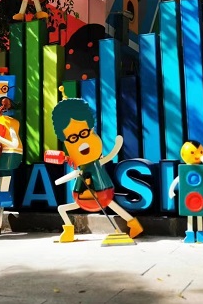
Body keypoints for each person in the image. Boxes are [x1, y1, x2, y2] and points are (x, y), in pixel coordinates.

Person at [50, 92, 143, 243]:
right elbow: (76, 172)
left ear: (90, 130)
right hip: (83, 197)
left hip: (102, 192)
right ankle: (68, 232)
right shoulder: (78, 162)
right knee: (62, 208)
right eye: (73, 138)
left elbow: (109, 156)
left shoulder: (95, 162)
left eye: (84, 133)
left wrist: (117, 145)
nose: (81, 142)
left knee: (112, 205)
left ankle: (132, 225)